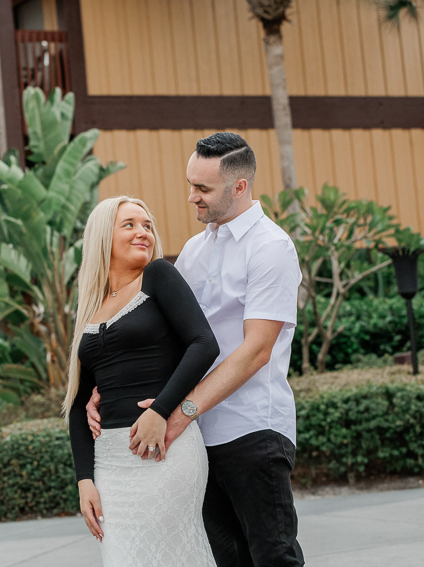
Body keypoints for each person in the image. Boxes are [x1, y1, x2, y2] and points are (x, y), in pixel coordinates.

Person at [87, 133, 305, 566]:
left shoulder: (271, 247)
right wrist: (105, 388)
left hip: (252, 430)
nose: (191, 198)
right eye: (190, 184)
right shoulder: (192, 252)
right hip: (196, 442)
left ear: (239, 187)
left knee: (274, 557)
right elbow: (166, 341)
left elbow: (256, 350)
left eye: (203, 189)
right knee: (226, 560)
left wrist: (179, 411)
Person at [64, 195, 220, 566]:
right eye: (130, 225)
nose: (143, 233)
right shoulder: (90, 305)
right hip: (110, 463)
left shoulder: (159, 277)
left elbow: (204, 344)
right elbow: (77, 401)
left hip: (165, 447)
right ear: (104, 236)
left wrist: (161, 411)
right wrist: (84, 479)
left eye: (147, 225)